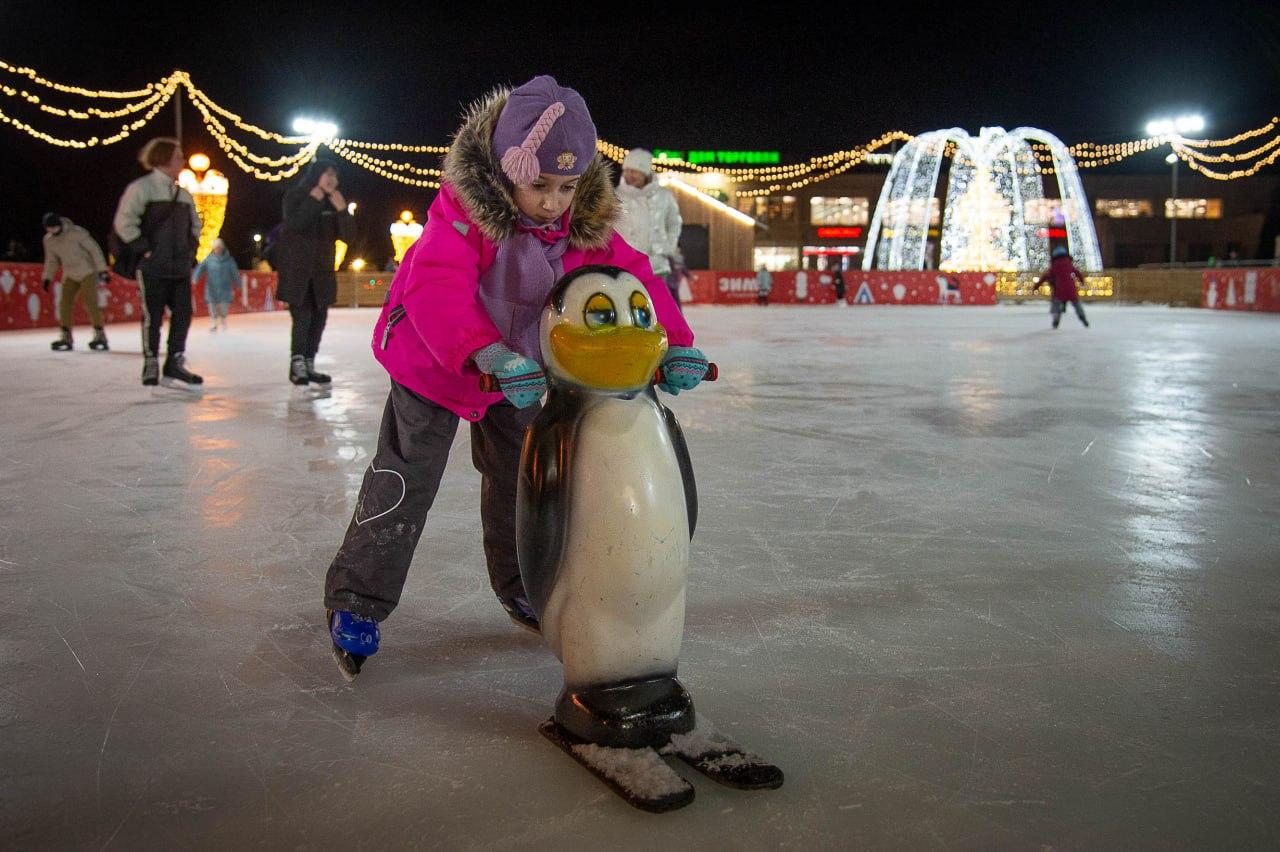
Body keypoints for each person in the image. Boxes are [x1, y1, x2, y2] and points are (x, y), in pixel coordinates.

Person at [322, 75, 708, 675]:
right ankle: (358, 598)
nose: (553, 202)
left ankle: (521, 585)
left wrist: (674, 343)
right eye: (539, 186)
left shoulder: (583, 227)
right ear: (506, 169)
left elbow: (638, 281)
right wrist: (487, 353)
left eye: (568, 186)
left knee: (521, 483)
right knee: (405, 478)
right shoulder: (461, 211)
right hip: (434, 364)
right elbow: (436, 286)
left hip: (521, 374)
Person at [113, 136, 203, 387]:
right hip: (153, 266)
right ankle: (151, 360)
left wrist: (190, 251)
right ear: (163, 159)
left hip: (180, 266)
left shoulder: (183, 194)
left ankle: (174, 361)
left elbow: (196, 224)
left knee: (183, 314)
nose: (182, 161)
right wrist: (144, 249)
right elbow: (124, 221)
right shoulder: (142, 188)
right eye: (178, 157)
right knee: (152, 315)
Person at [276, 159, 355, 385]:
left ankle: (309, 362)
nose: (332, 180)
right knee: (302, 318)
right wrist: (314, 199)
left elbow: (349, 237)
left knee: (319, 319)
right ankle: (297, 364)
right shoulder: (297, 195)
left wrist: (342, 211)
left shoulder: (334, 203)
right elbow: (294, 223)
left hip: (322, 273)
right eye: (327, 174)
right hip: (298, 273)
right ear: (315, 175)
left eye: (335, 176)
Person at [615, 147, 683, 308]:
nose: (630, 176)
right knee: (628, 309)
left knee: (659, 309)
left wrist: (669, 246)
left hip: (657, 265)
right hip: (625, 265)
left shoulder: (664, 196)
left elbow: (674, 222)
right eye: (627, 171)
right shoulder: (614, 196)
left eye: (635, 171)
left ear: (645, 173)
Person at [40, 212, 111, 351]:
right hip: (70, 274)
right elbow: (51, 260)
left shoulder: (77, 233)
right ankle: (66, 336)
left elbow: (94, 250)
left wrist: (102, 270)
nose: (52, 231)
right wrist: (47, 277)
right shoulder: (49, 240)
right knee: (64, 303)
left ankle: (100, 334)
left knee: (91, 302)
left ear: (59, 224)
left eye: (54, 227)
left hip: (87, 272)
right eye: (49, 228)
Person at [1035, 245, 1090, 329]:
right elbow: (1077, 273)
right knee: (1076, 304)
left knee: (1056, 304)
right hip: (1070, 288)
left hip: (1059, 289)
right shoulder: (1069, 263)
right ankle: (1083, 318)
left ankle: (1056, 321)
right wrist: (1082, 281)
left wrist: (1037, 285)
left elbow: (1046, 276)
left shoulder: (1055, 265)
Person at [193, 238, 240, 332]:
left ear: (222, 248)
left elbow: (234, 272)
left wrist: (237, 283)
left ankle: (223, 319)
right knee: (212, 306)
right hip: (211, 288)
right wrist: (195, 278)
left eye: (219, 248)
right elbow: (200, 269)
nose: (217, 250)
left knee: (223, 308)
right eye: (215, 248)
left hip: (225, 288)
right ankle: (214, 323)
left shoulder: (229, 260)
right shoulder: (209, 260)